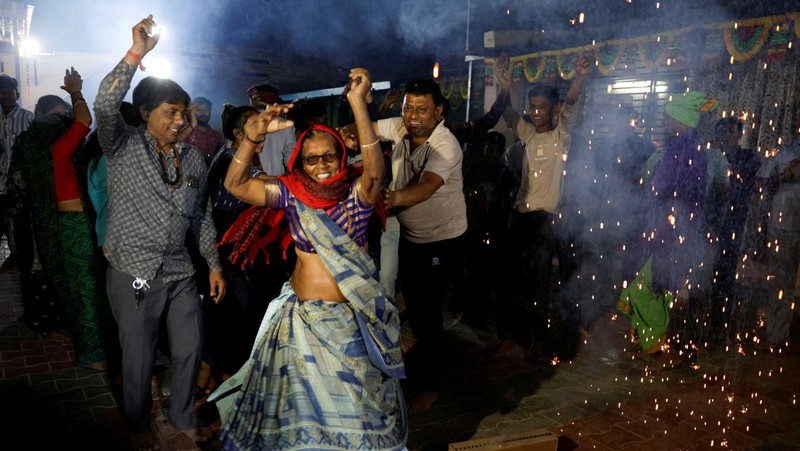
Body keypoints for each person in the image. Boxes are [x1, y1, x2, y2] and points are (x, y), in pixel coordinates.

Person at [211, 67, 406, 450]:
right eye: (312, 159)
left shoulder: (357, 197)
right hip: (300, 322)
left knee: (358, 414)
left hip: (349, 328)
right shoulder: (290, 193)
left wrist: (357, 106)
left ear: (340, 157)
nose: (321, 166)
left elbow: (375, 171)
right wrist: (253, 138)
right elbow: (235, 184)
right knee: (298, 420)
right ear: (300, 161)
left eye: (329, 157)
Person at [93, 15, 226, 449]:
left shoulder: (191, 159)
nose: (180, 120)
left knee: (189, 348)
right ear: (147, 112)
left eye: (184, 112)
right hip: (134, 270)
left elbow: (201, 216)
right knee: (139, 354)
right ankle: (135, 425)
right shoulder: (122, 146)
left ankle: (181, 417)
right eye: (171, 112)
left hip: (179, 272)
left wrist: (213, 264)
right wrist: (137, 53)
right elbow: (105, 105)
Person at [374, 78, 467, 413]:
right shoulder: (401, 126)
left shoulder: (446, 145)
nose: (412, 116)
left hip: (441, 240)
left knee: (428, 312)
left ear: (438, 111)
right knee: (413, 305)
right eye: (408, 108)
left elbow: (427, 186)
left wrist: (393, 197)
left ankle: (430, 385)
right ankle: (421, 361)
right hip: (412, 236)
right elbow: (367, 128)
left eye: (422, 109)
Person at [17, 69, 114, 371]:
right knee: (86, 289)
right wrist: (76, 91)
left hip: (54, 225)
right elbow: (84, 121)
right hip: (74, 223)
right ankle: (93, 354)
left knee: (75, 287)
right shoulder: (60, 147)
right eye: (61, 118)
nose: (66, 122)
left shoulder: (31, 144)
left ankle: (91, 348)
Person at [495, 56, 591, 360]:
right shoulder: (527, 133)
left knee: (539, 285)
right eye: (533, 107)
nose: (536, 113)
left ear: (554, 110)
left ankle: (538, 341)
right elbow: (507, 112)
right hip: (520, 218)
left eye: (542, 108)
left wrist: (578, 80)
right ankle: (512, 337)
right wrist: (505, 86)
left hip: (546, 221)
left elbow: (572, 107)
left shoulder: (561, 135)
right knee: (511, 279)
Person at [618, 91, 719, 367]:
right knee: (663, 284)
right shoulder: (696, 146)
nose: (663, 119)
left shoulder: (679, 148)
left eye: (667, 115)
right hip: (682, 227)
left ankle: (659, 335)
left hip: (669, 228)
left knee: (643, 285)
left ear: (680, 119)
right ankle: (658, 340)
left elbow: (659, 188)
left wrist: (630, 203)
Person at [199, 103, 288, 396]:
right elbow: (262, 187)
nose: (261, 131)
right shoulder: (232, 161)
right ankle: (225, 380)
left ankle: (215, 375)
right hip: (232, 253)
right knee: (240, 313)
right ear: (239, 133)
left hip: (230, 251)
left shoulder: (228, 155)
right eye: (254, 125)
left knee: (229, 313)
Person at [756, 121, 800, 350]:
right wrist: (786, 174)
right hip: (784, 226)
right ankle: (776, 335)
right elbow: (760, 182)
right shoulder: (785, 152)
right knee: (782, 281)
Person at [0, 74, 34, 271]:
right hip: (2, 179)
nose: (6, 97)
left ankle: (18, 256)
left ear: (17, 94)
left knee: (19, 222)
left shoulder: (28, 117)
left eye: (9, 93)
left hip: (22, 181)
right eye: (2, 93)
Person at [247, 83, 296, 175]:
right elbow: (291, 159)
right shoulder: (286, 125)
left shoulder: (245, 123)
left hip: (248, 182)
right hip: (276, 181)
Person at [185, 96, 226, 166]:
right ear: (192, 112)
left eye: (206, 109)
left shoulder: (218, 135)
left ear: (210, 111)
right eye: (199, 110)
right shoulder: (186, 133)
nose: (203, 113)